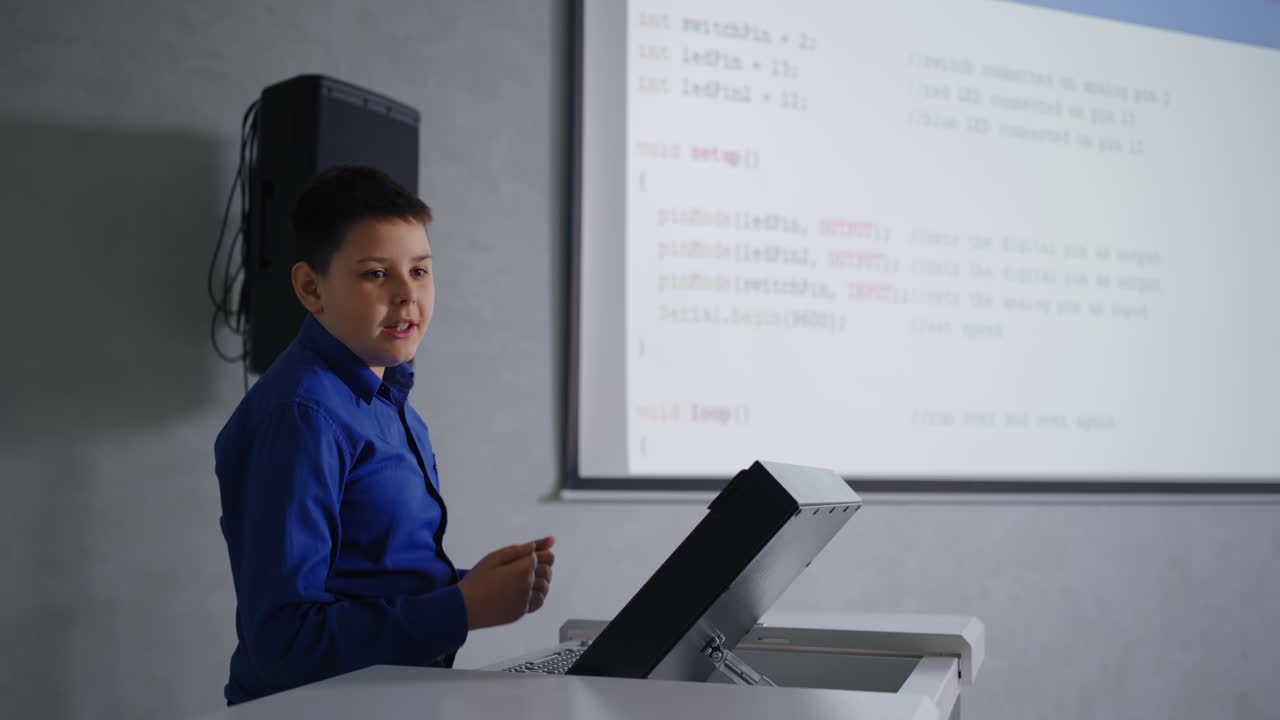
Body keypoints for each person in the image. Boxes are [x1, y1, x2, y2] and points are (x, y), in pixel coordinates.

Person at [214, 165, 554, 705]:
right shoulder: (303, 416)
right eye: (376, 274)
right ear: (310, 288)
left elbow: (369, 581)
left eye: (420, 271)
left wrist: (478, 586)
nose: (406, 296)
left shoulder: (387, 397)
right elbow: (284, 642)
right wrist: (464, 607)